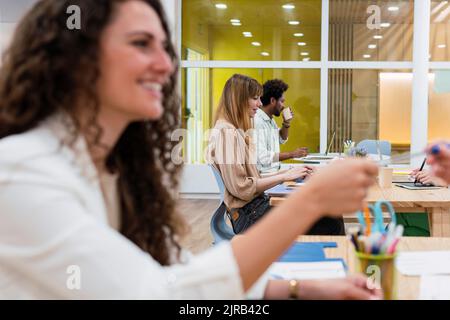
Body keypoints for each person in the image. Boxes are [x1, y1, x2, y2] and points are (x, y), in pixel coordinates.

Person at [0, 0, 381, 300]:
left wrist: (302, 290)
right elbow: (157, 295)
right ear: (75, 59)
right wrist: (310, 200)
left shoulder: (118, 173)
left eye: (164, 48)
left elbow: (177, 277)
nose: (166, 65)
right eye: (140, 44)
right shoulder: (21, 173)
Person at [207, 74, 345, 236]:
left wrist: (289, 173)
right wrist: (284, 176)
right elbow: (242, 188)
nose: (259, 104)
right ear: (239, 99)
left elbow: (251, 180)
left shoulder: (232, 130)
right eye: (255, 98)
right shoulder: (227, 133)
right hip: (250, 217)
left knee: (330, 214)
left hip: (256, 210)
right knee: (330, 219)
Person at [255, 79, 309, 175]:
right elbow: (262, 157)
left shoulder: (270, 119)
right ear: (272, 101)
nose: (283, 106)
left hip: (274, 172)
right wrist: (292, 154)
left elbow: (281, 139)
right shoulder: (258, 121)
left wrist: (286, 123)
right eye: (282, 101)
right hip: (264, 175)